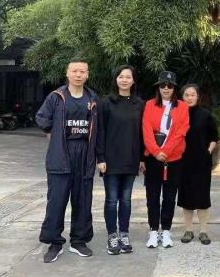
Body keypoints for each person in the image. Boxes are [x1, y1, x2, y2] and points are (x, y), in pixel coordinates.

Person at [36, 57, 98, 263]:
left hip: (85, 153)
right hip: (61, 153)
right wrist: (52, 132)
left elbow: (99, 128)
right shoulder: (56, 97)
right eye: (74, 71)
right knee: (56, 201)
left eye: (82, 71)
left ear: (87, 74)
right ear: (67, 73)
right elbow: (42, 118)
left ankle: (79, 240)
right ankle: (54, 242)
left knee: (83, 200)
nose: (78, 75)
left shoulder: (93, 98)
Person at [96, 65, 144, 255]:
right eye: (121, 76)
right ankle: (112, 236)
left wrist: (142, 158)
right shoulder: (106, 103)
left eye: (128, 77)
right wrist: (100, 157)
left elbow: (142, 134)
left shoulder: (139, 104)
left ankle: (124, 234)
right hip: (110, 160)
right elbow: (100, 131)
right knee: (111, 200)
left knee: (126, 200)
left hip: (131, 158)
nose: (124, 80)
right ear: (116, 79)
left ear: (133, 80)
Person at [141, 71, 189, 249]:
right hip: (153, 158)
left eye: (169, 86)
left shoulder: (182, 106)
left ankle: (166, 230)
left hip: (174, 158)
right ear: (158, 88)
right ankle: (153, 231)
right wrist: (156, 152)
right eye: (162, 85)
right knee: (152, 196)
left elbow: (181, 131)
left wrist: (166, 152)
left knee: (169, 197)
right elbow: (146, 130)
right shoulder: (149, 105)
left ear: (174, 88)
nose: (166, 89)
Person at [178, 84, 219, 245]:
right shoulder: (177, 114)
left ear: (197, 96)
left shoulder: (205, 115)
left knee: (202, 197)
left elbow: (214, 137)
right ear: (182, 97)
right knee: (186, 197)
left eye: (192, 95)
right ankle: (188, 230)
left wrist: (208, 152)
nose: (189, 98)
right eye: (186, 95)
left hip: (202, 162)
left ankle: (203, 231)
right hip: (182, 162)